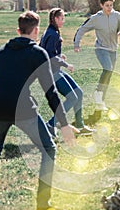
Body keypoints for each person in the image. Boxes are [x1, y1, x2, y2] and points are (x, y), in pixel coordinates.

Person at [0, 11, 77, 210]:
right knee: (48, 148)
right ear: (36, 31)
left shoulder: (1, 52)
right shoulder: (38, 53)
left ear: (18, 30)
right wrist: (64, 124)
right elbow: (51, 93)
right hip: (22, 110)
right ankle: (43, 205)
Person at [73, 0, 120, 111]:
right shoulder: (96, 18)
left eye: (111, 5)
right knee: (107, 68)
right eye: (107, 5)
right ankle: (97, 92)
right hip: (101, 49)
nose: (109, 8)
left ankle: (100, 102)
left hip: (113, 50)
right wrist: (77, 44)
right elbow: (82, 29)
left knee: (109, 74)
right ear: (101, 5)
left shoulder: (117, 16)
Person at [39, 8, 94, 136]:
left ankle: (79, 125)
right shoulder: (52, 34)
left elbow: (50, 52)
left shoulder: (52, 32)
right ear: (56, 19)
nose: (63, 21)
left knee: (78, 93)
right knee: (72, 97)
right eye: (62, 18)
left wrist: (60, 55)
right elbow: (51, 57)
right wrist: (66, 64)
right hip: (50, 72)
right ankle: (51, 125)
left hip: (54, 70)